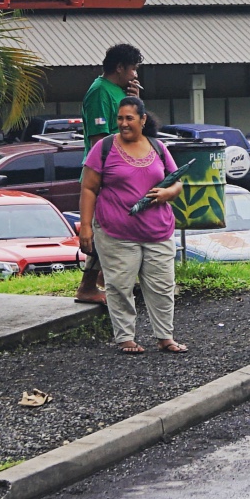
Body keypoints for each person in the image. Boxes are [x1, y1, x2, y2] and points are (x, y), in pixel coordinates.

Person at [77, 96, 186, 354]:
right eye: (120, 118)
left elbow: (177, 180)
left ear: (143, 119)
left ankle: (165, 337)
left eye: (129, 118)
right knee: (120, 286)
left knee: (162, 286)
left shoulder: (158, 147)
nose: (123, 124)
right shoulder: (104, 148)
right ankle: (125, 338)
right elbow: (89, 188)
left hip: (157, 231)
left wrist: (168, 194)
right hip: (116, 233)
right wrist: (86, 226)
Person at [76, 43, 143, 306]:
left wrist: (135, 100)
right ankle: (88, 286)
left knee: (119, 226)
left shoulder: (120, 92)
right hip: (106, 174)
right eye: (133, 69)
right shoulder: (99, 93)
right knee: (103, 229)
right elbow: (98, 139)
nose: (135, 74)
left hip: (125, 170)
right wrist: (113, 173)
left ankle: (105, 278)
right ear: (119, 68)